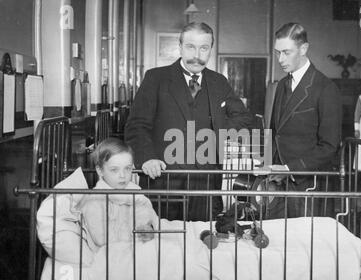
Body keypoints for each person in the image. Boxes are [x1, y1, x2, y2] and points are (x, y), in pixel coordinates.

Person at [124, 22, 253, 221]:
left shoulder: (219, 82)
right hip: (162, 179)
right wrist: (147, 157)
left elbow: (243, 117)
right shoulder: (156, 78)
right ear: (180, 47)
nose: (197, 54)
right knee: (161, 243)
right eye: (191, 47)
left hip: (206, 180)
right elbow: (136, 125)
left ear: (211, 49)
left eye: (204, 48)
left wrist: (214, 134)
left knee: (202, 241)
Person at [267, 22, 342, 219]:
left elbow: (329, 146)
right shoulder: (282, 84)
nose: (280, 59)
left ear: (304, 49)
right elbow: (276, 132)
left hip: (307, 186)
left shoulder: (325, 88)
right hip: (277, 184)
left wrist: (290, 169)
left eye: (286, 52)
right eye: (277, 52)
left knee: (304, 244)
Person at [81, 138, 158, 247]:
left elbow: (146, 216)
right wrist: (133, 237)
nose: (122, 175)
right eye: (114, 170)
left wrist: (148, 229)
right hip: (109, 253)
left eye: (127, 168)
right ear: (100, 171)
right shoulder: (95, 201)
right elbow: (102, 239)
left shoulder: (135, 192)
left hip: (135, 248)